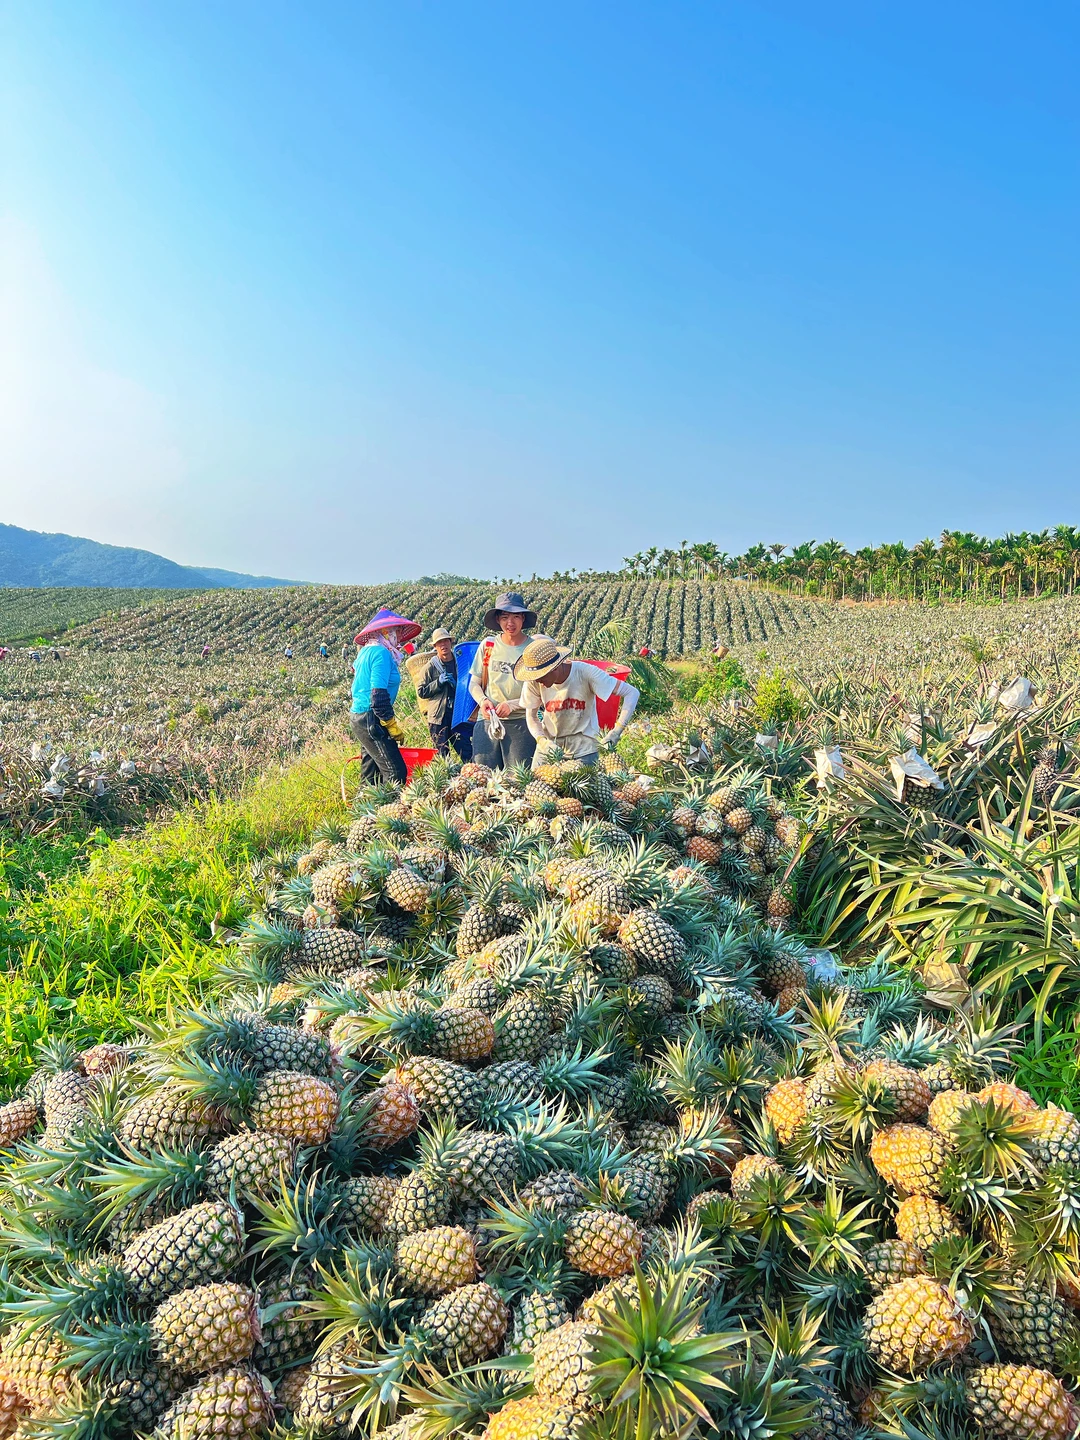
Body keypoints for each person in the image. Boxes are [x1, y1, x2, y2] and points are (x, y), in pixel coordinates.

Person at [516, 637, 640, 767]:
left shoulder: (585, 672)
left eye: (541, 676)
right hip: (549, 749)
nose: (537, 681)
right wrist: (542, 740)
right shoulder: (533, 680)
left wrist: (617, 730)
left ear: (555, 667)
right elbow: (531, 716)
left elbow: (631, 693)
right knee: (535, 785)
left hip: (584, 750)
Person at [350, 606, 421, 784]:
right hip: (371, 717)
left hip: (360, 716)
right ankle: (389, 810)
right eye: (396, 631)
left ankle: (365, 808)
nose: (398, 636)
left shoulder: (366, 651)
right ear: (385, 631)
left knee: (371, 771)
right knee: (395, 771)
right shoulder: (381, 653)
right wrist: (391, 724)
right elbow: (378, 696)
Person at [468, 591, 538, 768]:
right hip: (487, 722)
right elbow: (474, 683)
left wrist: (513, 705)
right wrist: (483, 700)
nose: (510, 623)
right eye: (505, 617)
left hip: (522, 722)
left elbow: (541, 692)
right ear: (498, 619)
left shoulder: (532, 649)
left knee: (518, 780)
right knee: (484, 778)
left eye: (515, 616)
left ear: (523, 618)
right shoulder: (489, 645)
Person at [416, 628, 472, 762]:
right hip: (438, 717)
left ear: (450, 642)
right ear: (435, 647)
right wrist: (438, 683)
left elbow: (470, 684)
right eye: (439, 642)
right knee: (442, 755)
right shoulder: (430, 667)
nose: (443, 645)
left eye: (446, 641)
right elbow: (421, 691)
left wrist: (456, 684)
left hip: (458, 714)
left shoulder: (460, 662)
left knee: (467, 751)